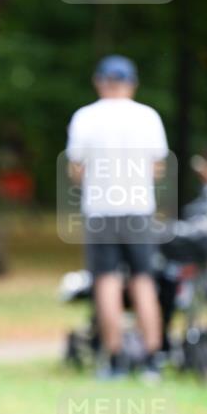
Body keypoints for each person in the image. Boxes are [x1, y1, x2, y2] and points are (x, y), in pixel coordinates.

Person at [66, 55, 169, 380]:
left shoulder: (85, 117)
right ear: (132, 84)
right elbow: (158, 167)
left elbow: (76, 168)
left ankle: (114, 358)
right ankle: (152, 357)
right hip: (138, 209)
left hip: (101, 210)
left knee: (106, 281)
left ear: (99, 82)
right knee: (143, 279)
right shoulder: (148, 116)